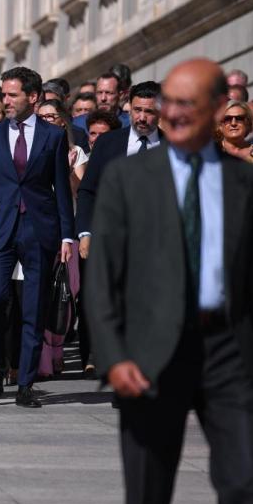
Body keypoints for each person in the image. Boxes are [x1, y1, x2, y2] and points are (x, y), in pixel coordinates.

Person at [86, 58, 253, 504]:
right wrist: (114, 356)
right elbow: (103, 277)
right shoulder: (129, 179)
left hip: (229, 354)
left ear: (220, 108)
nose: (175, 113)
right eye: (170, 103)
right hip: (150, 353)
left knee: (246, 486)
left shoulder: (245, 181)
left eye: (189, 103)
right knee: (148, 498)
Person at [0, 66, 75, 409]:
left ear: (34, 96)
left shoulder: (53, 136)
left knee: (34, 308)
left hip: (39, 230)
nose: (6, 101)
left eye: (13, 95)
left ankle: (25, 381)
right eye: (4, 94)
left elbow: (60, 190)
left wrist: (67, 236)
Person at [76, 81, 163, 377]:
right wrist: (85, 232)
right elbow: (87, 191)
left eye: (149, 112)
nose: (142, 117)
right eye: (137, 110)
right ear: (129, 108)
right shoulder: (109, 144)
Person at [37, 99, 88, 194]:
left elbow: (79, 193)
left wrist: (68, 170)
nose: (44, 120)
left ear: (63, 121)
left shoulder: (75, 152)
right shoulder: (29, 151)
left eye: (50, 116)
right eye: (40, 117)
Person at [217, 100, 253, 164]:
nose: (233, 123)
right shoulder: (213, 153)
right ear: (220, 126)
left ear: (248, 124)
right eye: (227, 119)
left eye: (239, 118)